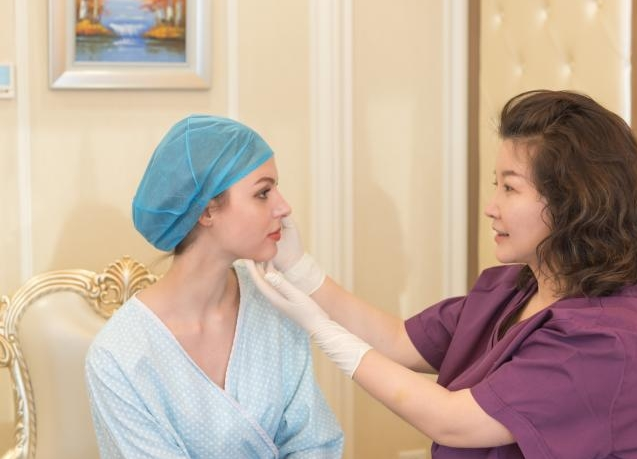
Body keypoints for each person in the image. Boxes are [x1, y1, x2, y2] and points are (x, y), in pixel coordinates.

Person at [248, 90, 637, 458]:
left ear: (572, 201)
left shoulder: (603, 339)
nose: (491, 207)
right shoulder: (512, 291)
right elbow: (398, 341)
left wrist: (323, 331)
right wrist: (301, 270)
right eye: (496, 185)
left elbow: (454, 422)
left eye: (510, 188)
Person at [84, 115, 344, 458]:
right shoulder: (119, 356)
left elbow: (314, 444)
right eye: (263, 193)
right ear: (206, 211)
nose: (283, 207)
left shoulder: (273, 303)